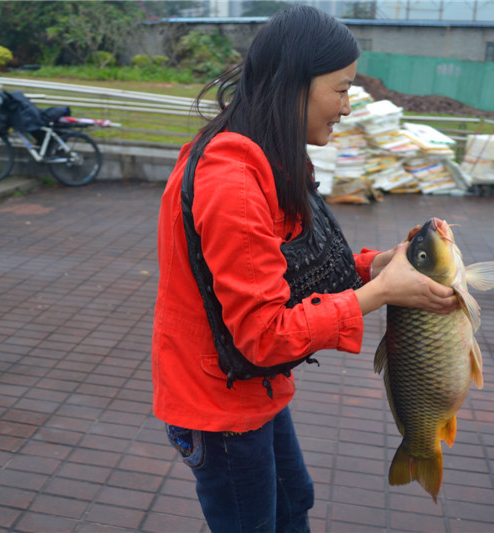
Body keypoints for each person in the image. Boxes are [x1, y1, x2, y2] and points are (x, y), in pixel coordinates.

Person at [151, 6, 457, 531]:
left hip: (254, 388)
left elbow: (290, 266)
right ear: (295, 84)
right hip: (219, 404)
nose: (346, 105)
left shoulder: (269, 155)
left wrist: (374, 267)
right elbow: (262, 336)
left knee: (294, 505)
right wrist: (379, 294)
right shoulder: (234, 183)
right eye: (340, 89)